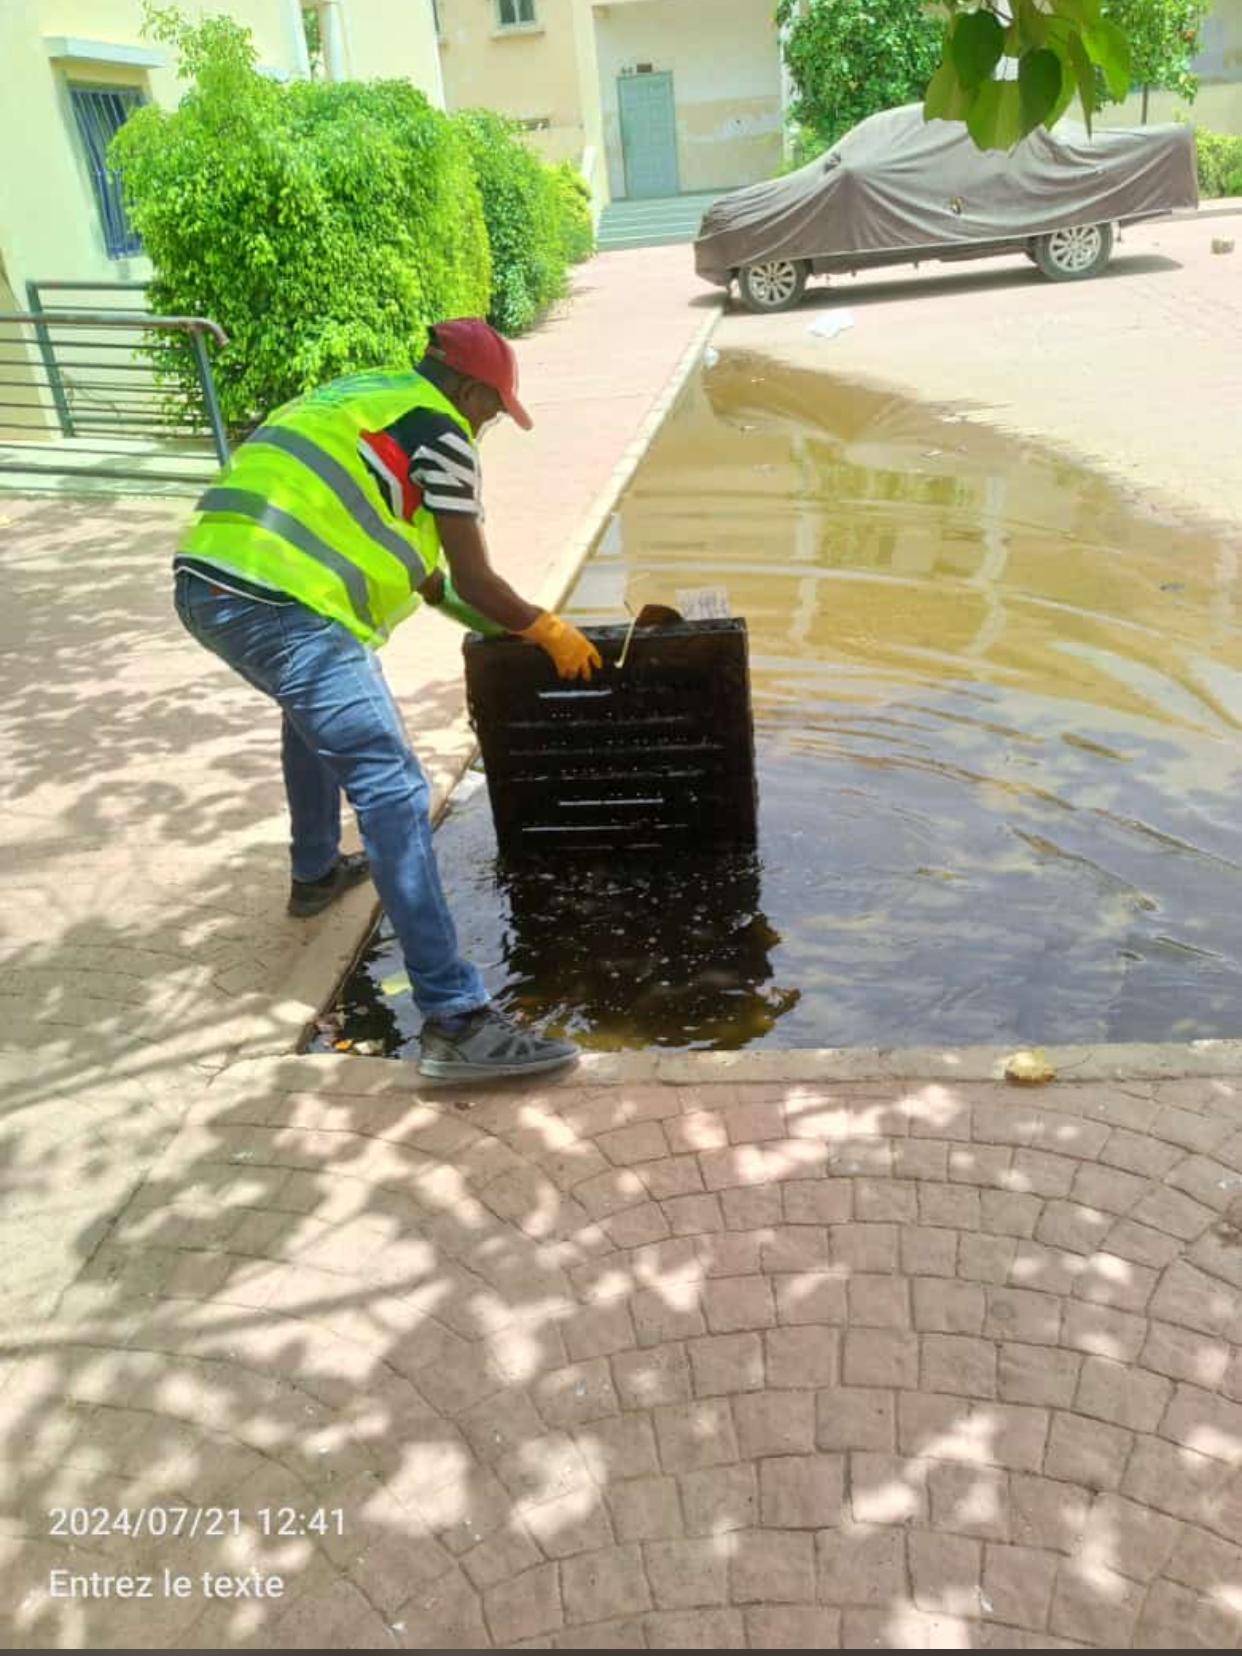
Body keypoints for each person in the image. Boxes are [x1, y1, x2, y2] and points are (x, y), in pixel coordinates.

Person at [173, 318, 602, 1080]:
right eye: (492, 409)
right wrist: (547, 628)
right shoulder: (443, 431)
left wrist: (514, 632)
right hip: (282, 602)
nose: (488, 426)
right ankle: (456, 1020)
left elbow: (439, 587)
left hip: (208, 583)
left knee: (311, 715)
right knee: (394, 789)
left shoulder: (365, 403)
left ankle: (315, 873)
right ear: (468, 389)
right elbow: (477, 580)